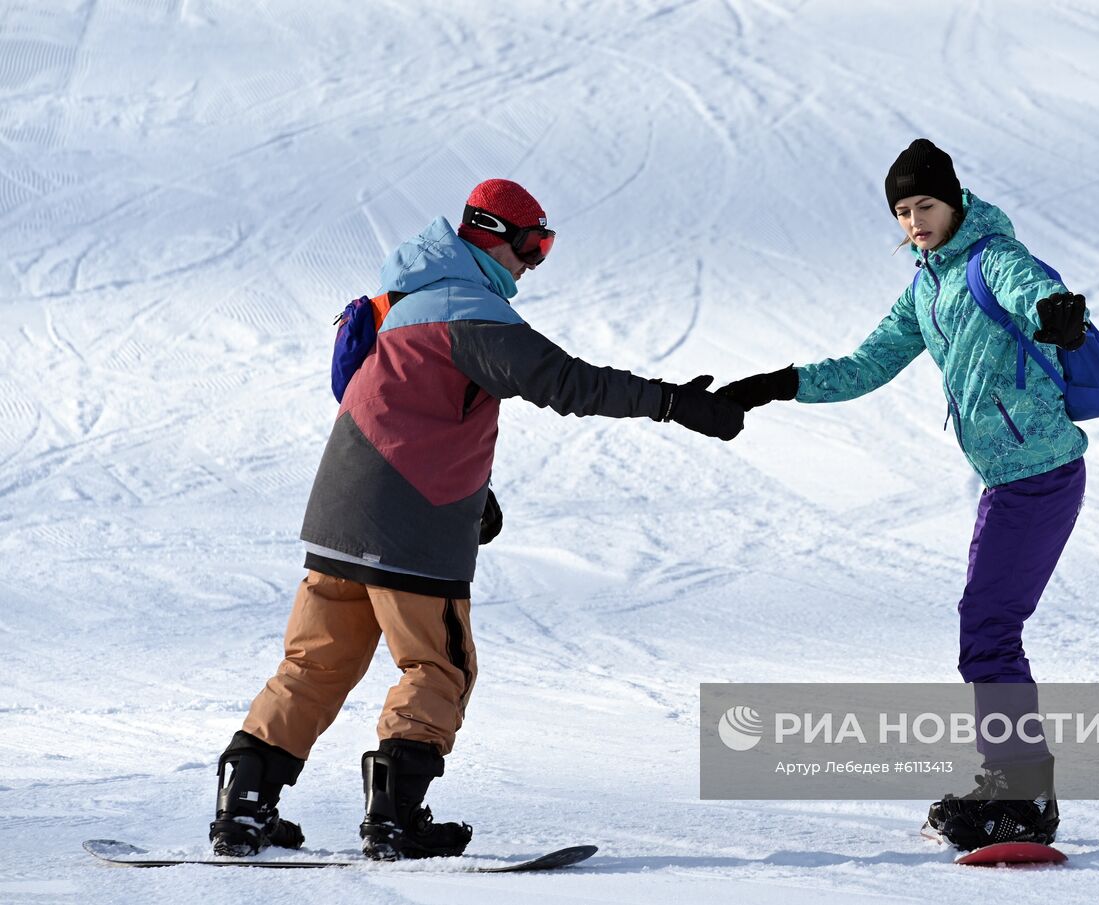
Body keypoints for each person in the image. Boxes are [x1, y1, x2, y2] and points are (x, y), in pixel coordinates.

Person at [209, 178, 745, 861]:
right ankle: (394, 818)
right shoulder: (472, 311)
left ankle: (243, 808)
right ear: (501, 237)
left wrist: (474, 490)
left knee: (313, 664)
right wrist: (671, 402)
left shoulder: (404, 301)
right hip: (410, 524)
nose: (533, 264)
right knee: (439, 665)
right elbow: (567, 382)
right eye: (535, 246)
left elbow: (413, 406)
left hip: (337, 514)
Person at [718, 139, 1092, 851]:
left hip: (1039, 476)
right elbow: (867, 363)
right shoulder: (927, 286)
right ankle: (1013, 778)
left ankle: (1024, 790)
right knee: (986, 631)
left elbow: (1030, 292)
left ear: (953, 202)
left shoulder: (992, 257)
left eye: (925, 205)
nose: (915, 221)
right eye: (902, 211)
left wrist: (1054, 313)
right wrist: (775, 383)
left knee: (987, 631)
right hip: (1010, 481)